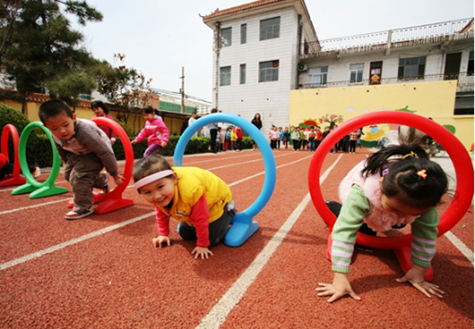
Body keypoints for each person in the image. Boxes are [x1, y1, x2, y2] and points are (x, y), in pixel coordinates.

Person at [316, 143, 448, 303]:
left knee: (400, 221)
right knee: (361, 233)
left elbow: (426, 233)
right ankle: (332, 205)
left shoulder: (425, 199)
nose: (402, 216)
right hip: (367, 205)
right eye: (396, 209)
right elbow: (345, 231)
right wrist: (340, 276)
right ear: (380, 185)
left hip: (390, 203)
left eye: (413, 213)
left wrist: (419, 270)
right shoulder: (361, 194)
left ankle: (392, 214)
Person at [132, 153, 237, 259]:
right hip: (194, 201)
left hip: (217, 198)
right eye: (148, 192)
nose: (157, 196)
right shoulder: (161, 192)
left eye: (160, 187)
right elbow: (161, 212)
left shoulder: (191, 191)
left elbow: (201, 219)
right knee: (185, 234)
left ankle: (230, 211)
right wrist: (163, 234)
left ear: (174, 179)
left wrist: (202, 245)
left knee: (212, 240)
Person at [38, 99, 124, 220]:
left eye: (65, 125)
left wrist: (114, 173)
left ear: (73, 118)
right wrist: (67, 163)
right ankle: (101, 181)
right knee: (68, 174)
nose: (62, 131)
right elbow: (61, 149)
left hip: (96, 153)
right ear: (46, 127)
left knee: (79, 177)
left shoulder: (85, 132)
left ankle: (83, 207)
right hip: (78, 153)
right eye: (54, 128)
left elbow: (104, 152)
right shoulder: (55, 135)